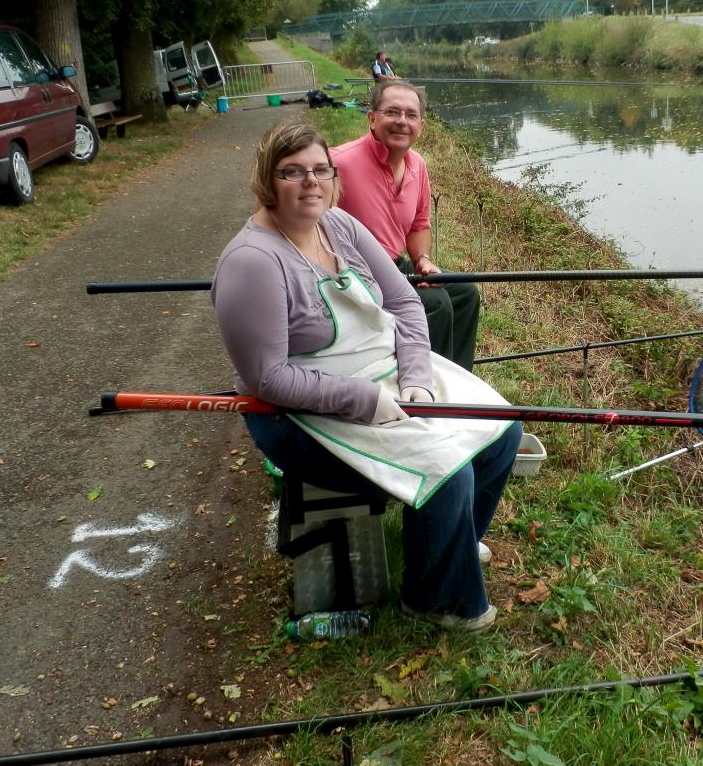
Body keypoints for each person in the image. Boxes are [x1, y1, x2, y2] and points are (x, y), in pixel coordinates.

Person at [212, 121, 520, 631]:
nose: (310, 182)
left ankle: (450, 542)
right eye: (292, 172)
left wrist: (417, 375)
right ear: (267, 182)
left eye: (319, 170)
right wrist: (364, 401)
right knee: (447, 467)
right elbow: (268, 379)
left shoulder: (340, 226)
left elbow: (403, 301)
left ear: (333, 177)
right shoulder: (253, 262)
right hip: (302, 413)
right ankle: (435, 599)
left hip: (389, 373)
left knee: (501, 429)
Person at [331, 80, 482, 371]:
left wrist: (422, 261)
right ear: (372, 119)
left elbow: (419, 224)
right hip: (355, 275)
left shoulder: (418, 166)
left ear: (421, 126)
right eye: (392, 112)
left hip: (396, 265)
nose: (402, 121)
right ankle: (426, 386)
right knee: (435, 303)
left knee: (465, 293)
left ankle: (458, 376)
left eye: (411, 115)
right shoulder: (340, 162)